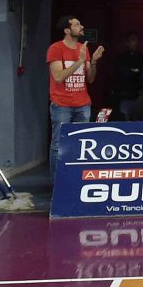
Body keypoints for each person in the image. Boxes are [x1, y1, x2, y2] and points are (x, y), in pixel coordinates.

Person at [47, 16, 102, 177]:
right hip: (61, 104)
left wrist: (93, 62)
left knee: (82, 143)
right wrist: (79, 61)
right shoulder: (56, 48)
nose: (81, 26)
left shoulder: (83, 48)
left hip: (82, 103)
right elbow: (58, 77)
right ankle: (56, 182)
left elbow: (90, 79)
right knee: (59, 144)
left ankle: (77, 180)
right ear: (67, 30)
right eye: (77, 24)